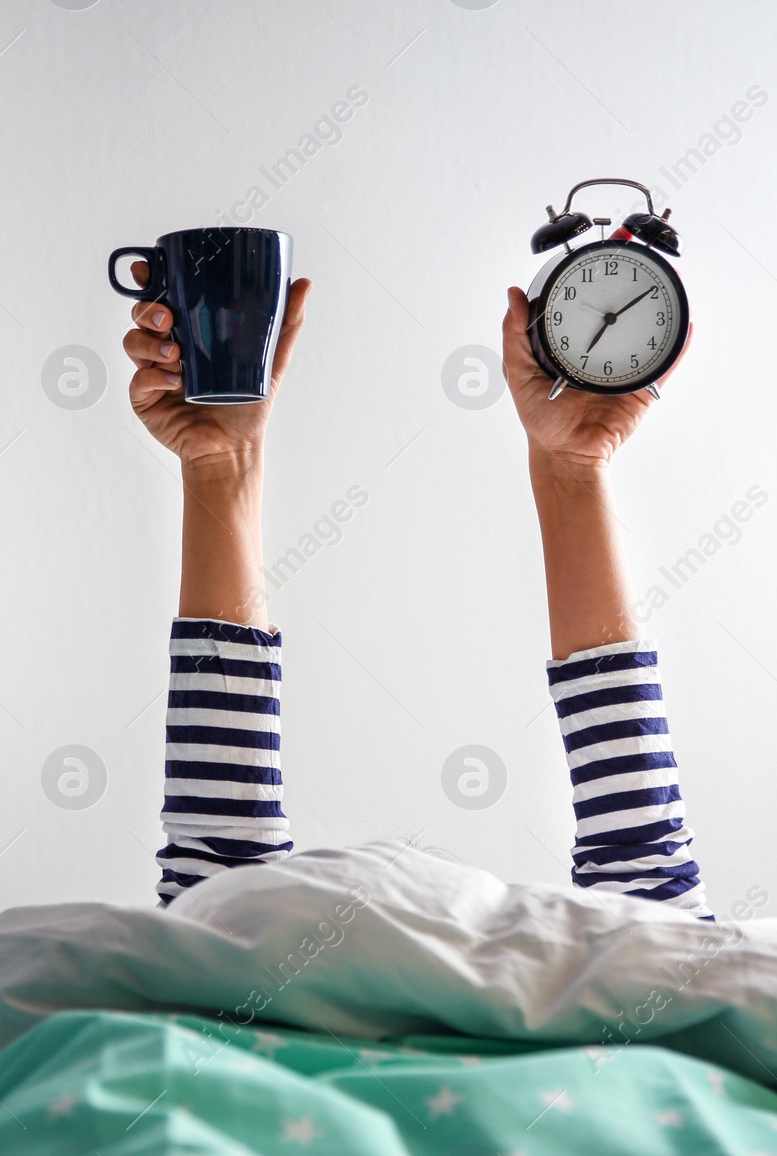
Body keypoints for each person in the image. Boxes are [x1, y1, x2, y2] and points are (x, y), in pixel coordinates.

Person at [120, 266, 710, 919]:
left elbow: (218, 895)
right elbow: (650, 898)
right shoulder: (631, 997)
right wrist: (572, 468)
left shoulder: (225, 977)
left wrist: (219, 468)